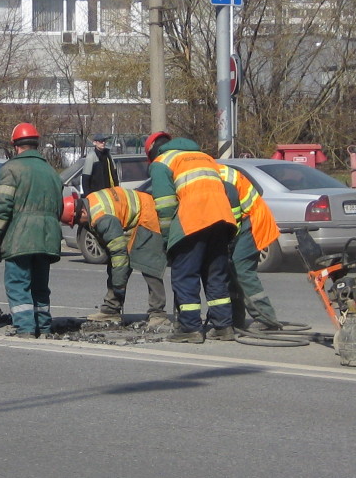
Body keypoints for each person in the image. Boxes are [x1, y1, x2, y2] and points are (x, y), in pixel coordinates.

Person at [145, 131, 236, 343]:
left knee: (185, 276)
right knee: (215, 275)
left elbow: (165, 204)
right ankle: (223, 326)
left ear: (153, 152)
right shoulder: (205, 157)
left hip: (193, 221)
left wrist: (167, 238)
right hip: (222, 219)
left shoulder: (162, 162)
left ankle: (190, 328)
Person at [0, 123, 63, 336]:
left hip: (20, 237)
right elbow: (59, 208)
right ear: (36, 144)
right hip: (47, 237)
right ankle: (44, 327)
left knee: (18, 284)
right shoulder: (51, 172)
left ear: (16, 146)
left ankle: (25, 328)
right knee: (40, 286)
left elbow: (2, 205)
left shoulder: (11, 169)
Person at [82, 185, 170, 328]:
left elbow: (119, 255)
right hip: (131, 220)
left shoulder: (102, 217)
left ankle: (158, 313)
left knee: (149, 266)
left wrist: (119, 285)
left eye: (77, 221)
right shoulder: (90, 202)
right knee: (116, 265)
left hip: (148, 215)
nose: (77, 225)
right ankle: (111, 309)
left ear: (82, 211)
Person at [216, 163, 283, 331]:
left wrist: (228, 241)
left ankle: (266, 318)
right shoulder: (209, 173)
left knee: (241, 268)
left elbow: (233, 216)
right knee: (230, 268)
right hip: (245, 219)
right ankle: (235, 318)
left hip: (252, 220)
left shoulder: (219, 178)